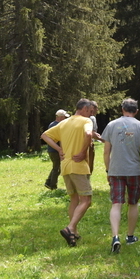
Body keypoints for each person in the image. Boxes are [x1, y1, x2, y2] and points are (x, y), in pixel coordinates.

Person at [102, 98, 140, 253]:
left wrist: (108, 170)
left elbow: (106, 151)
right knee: (133, 203)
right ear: (136, 111)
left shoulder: (111, 125)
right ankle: (130, 236)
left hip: (116, 171)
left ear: (122, 109)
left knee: (116, 203)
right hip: (134, 171)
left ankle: (115, 236)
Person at [41, 99, 94, 247]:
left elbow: (45, 135)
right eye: (89, 111)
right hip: (78, 166)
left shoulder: (63, 123)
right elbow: (89, 134)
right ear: (84, 109)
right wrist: (83, 152)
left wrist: (59, 150)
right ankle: (70, 228)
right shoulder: (85, 121)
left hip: (65, 166)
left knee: (74, 199)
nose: (90, 114)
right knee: (86, 200)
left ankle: (74, 234)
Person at [45, 109, 69, 189]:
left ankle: (48, 182)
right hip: (54, 150)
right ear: (60, 117)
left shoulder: (54, 124)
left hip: (54, 150)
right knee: (57, 169)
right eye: (64, 117)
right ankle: (52, 185)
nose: (65, 119)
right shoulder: (55, 125)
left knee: (56, 167)